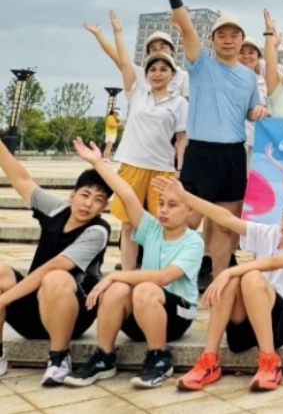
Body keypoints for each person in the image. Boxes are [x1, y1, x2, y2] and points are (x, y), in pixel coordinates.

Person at [64, 138, 202, 389]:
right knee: (119, 289)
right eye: (161, 203)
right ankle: (104, 357)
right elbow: (126, 193)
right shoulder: (151, 228)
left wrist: (114, 275)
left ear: (190, 210)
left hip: (176, 318)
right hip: (140, 312)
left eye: (172, 205)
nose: (163, 210)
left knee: (143, 287)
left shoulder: (193, 241)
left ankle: (159, 357)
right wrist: (98, 163)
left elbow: (162, 278)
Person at [166, 179, 283, 392]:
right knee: (234, 281)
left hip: (280, 326)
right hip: (247, 325)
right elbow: (225, 218)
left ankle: (270, 361)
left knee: (249, 275)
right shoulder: (269, 232)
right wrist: (184, 196)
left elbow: (273, 262)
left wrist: (227, 271)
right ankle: (208, 361)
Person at [160, 0, 266, 277]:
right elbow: (187, 30)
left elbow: (249, 111)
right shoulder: (201, 64)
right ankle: (168, 276)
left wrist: (258, 111)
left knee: (224, 224)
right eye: (222, 35)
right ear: (213, 40)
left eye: (234, 36)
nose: (228, 41)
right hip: (201, 153)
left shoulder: (249, 76)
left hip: (233, 155)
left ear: (242, 40)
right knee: (187, 219)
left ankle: (221, 283)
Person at [0, 141, 112, 385]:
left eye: (98, 200)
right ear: (72, 196)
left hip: (73, 314)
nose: (88, 204)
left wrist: (3, 300)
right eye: (85, 195)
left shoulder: (98, 231)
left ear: (103, 207)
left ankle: (59, 358)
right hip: (33, 312)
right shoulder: (56, 209)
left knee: (56, 277)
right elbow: (20, 179)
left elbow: (55, 266)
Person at [107, 49, 188, 271]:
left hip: (162, 169)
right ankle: (127, 276)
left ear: (173, 75)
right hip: (133, 165)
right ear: (146, 75)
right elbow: (124, 62)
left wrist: (179, 169)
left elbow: (182, 139)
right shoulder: (137, 93)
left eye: (163, 69)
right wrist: (116, 33)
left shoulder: (180, 103)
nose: (157, 74)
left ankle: (155, 276)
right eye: (152, 69)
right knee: (128, 225)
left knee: (161, 225)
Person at [84, 12, 190, 99]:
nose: (158, 51)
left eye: (162, 47)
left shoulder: (183, 76)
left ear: (172, 50)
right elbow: (119, 58)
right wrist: (101, 34)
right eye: (153, 49)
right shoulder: (140, 75)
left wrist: (185, 31)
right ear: (148, 54)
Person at [238, 36, 268, 165]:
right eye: (242, 52)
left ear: (258, 56)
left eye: (251, 52)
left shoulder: (264, 82)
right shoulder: (225, 78)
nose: (246, 56)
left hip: (254, 141)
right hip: (230, 141)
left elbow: (270, 111)